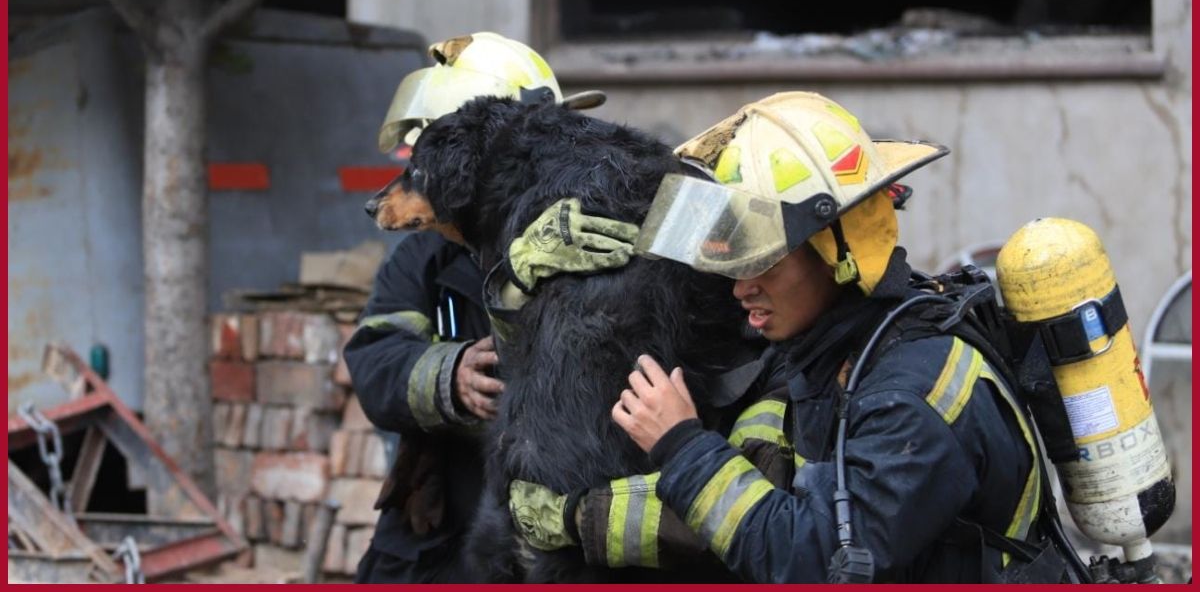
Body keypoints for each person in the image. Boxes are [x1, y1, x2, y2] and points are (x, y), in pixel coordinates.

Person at [607, 91, 1076, 583]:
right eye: (735, 261)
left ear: (838, 251)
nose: (741, 287)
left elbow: (815, 563)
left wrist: (682, 445)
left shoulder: (914, 397)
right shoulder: (837, 352)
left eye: (763, 260)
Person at [345, 31, 608, 582]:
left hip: (565, 524)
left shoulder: (591, 241)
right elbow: (373, 359)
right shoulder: (425, 257)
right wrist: (450, 377)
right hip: (444, 522)